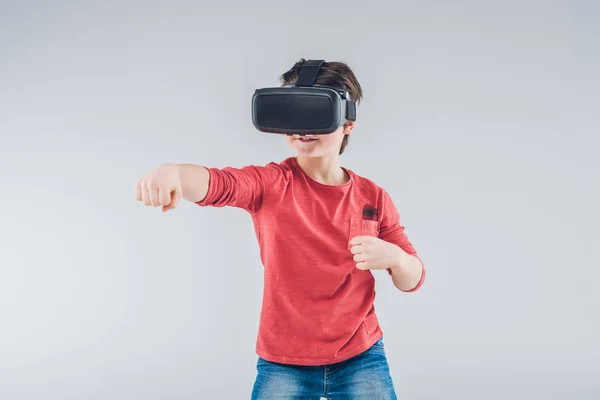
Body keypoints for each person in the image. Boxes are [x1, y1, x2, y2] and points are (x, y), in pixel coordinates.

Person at [134, 59, 426, 400]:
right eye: (293, 111)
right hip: (284, 360)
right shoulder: (272, 183)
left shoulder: (372, 196)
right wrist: (176, 173)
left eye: (315, 112)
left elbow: (413, 278)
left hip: (360, 356)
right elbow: (221, 183)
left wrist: (395, 258)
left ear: (347, 122)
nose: (301, 128)